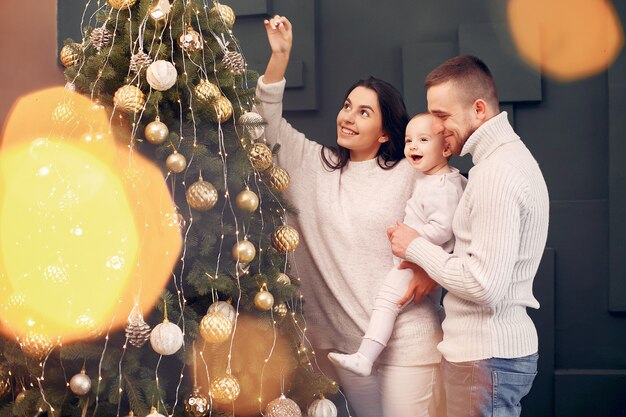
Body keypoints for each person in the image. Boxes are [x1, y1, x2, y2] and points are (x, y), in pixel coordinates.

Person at [257, 15, 443, 417]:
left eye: (363, 112)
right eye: (346, 107)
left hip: (409, 342)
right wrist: (281, 55)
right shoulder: (310, 163)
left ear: (385, 132)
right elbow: (264, 122)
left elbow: (458, 214)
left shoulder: (410, 170)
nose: (347, 117)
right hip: (344, 346)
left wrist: (434, 271)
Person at [388, 55, 550, 417]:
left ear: (478, 109)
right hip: (485, 360)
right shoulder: (497, 164)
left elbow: (483, 284)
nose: (438, 128)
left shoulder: (497, 174)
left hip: (485, 361)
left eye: (443, 116)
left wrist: (414, 247)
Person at [327, 113, 466, 377]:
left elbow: (443, 230)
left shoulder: (442, 186)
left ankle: (364, 357)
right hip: (414, 260)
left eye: (423, 140)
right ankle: (364, 357)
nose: (413, 146)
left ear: (446, 148)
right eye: (409, 140)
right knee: (386, 304)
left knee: (385, 303)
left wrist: (408, 236)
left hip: (417, 262)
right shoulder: (432, 178)